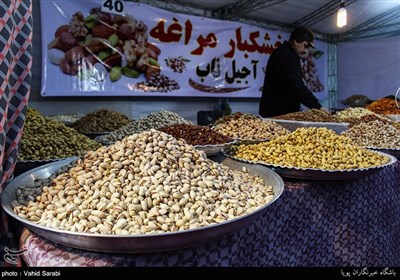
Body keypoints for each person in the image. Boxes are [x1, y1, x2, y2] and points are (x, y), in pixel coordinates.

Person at [259, 26, 325, 118]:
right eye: (305, 46)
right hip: (277, 113)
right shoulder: (286, 55)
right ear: (295, 42)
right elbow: (296, 85)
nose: (306, 50)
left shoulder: (285, 53)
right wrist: (318, 107)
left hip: (279, 111)